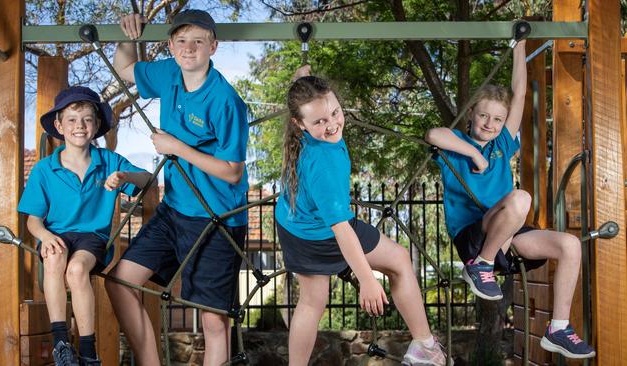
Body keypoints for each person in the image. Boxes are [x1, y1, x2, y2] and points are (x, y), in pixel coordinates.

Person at [425, 40, 595, 359]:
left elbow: (519, 95)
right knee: (520, 199)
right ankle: (481, 265)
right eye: (483, 116)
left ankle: (558, 328)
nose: (490, 124)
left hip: (508, 236)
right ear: (471, 114)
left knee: (570, 245)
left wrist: (519, 47)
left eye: (497, 119)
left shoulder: (503, 143)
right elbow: (434, 135)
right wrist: (474, 153)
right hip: (474, 238)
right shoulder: (456, 142)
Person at [105, 9, 249, 366]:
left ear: (212, 47)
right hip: (174, 211)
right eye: (181, 41)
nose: (189, 48)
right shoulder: (169, 73)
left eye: (198, 41)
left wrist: (177, 147)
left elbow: (232, 172)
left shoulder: (226, 101)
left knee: (213, 320)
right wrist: (129, 36)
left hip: (218, 219)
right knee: (121, 281)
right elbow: (125, 71)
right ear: (170, 45)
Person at [276, 74, 450, 366]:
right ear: (299, 123)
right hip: (324, 232)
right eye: (319, 122)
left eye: (335, 112)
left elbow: (310, 101)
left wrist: (301, 76)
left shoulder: (304, 133)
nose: (331, 124)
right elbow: (342, 230)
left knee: (311, 302)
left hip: (294, 225)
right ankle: (425, 346)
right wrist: (367, 279)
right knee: (398, 259)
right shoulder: (324, 164)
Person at [18, 86, 152, 366]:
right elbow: (33, 220)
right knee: (54, 257)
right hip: (56, 236)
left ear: (97, 125)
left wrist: (124, 175)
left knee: (77, 269)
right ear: (59, 125)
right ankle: (62, 344)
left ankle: (89, 352)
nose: (80, 126)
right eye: (72, 119)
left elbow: (146, 179)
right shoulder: (44, 169)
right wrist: (44, 235)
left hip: (92, 238)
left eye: (87, 119)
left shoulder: (108, 162)